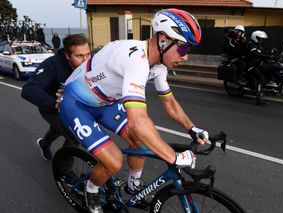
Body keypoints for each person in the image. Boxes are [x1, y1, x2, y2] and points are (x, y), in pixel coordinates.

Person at [58, 8, 209, 213]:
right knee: (113, 162)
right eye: (183, 49)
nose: (185, 57)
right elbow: (138, 121)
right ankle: (90, 189)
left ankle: (133, 185)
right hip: (76, 104)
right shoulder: (136, 60)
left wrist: (192, 129)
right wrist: (174, 157)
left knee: (138, 141)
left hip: (106, 101)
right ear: (163, 40)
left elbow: (169, 102)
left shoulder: (158, 65)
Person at [21, 34, 91, 172]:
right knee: (74, 135)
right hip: (51, 107)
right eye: (80, 56)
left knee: (57, 129)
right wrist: (56, 103)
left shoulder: (89, 62)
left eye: (88, 54)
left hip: (73, 105)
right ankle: (64, 171)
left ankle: (44, 143)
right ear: (67, 55)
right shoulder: (51, 65)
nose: (86, 60)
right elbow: (28, 90)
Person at [245, 30, 269, 105]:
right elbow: (256, 53)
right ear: (255, 37)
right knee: (261, 77)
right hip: (250, 66)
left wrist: (272, 54)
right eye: (259, 38)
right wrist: (264, 56)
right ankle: (258, 99)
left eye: (261, 39)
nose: (261, 40)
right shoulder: (251, 45)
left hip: (257, 64)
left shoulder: (258, 45)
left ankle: (261, 88)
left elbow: (262, 52)